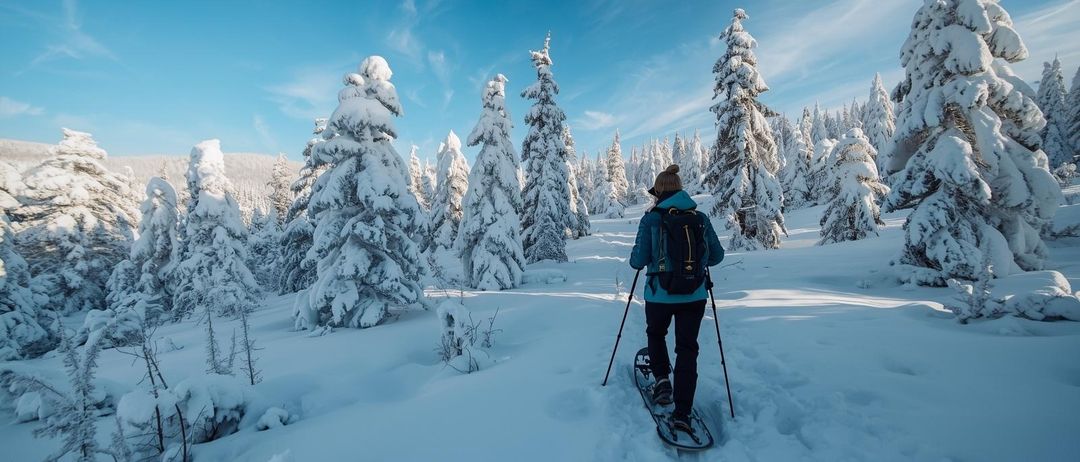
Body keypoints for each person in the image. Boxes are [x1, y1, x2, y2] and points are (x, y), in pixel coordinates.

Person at [629, 164, 724, 433]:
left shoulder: (650, 219)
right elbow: (717, 257)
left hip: (660, 293)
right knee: (687, 349)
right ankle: (683, 411)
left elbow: (638, 260)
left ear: (659, 192)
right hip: (694, 295)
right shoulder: (700, 218)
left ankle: (661, 381)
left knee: (656, 334)